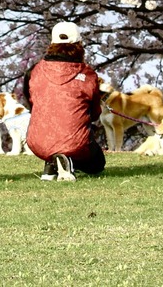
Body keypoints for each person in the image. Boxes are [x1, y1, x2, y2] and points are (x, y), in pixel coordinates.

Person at [25, 21, 106, 181]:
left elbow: (31, 103)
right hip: (75, 143)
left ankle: (52, 161)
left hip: (37, 143)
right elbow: (95, 113)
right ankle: (66, 160)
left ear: (52, 43)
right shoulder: (87, 74)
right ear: (79, 44)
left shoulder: (34, 71)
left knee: (58, 139)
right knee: (97, 164)